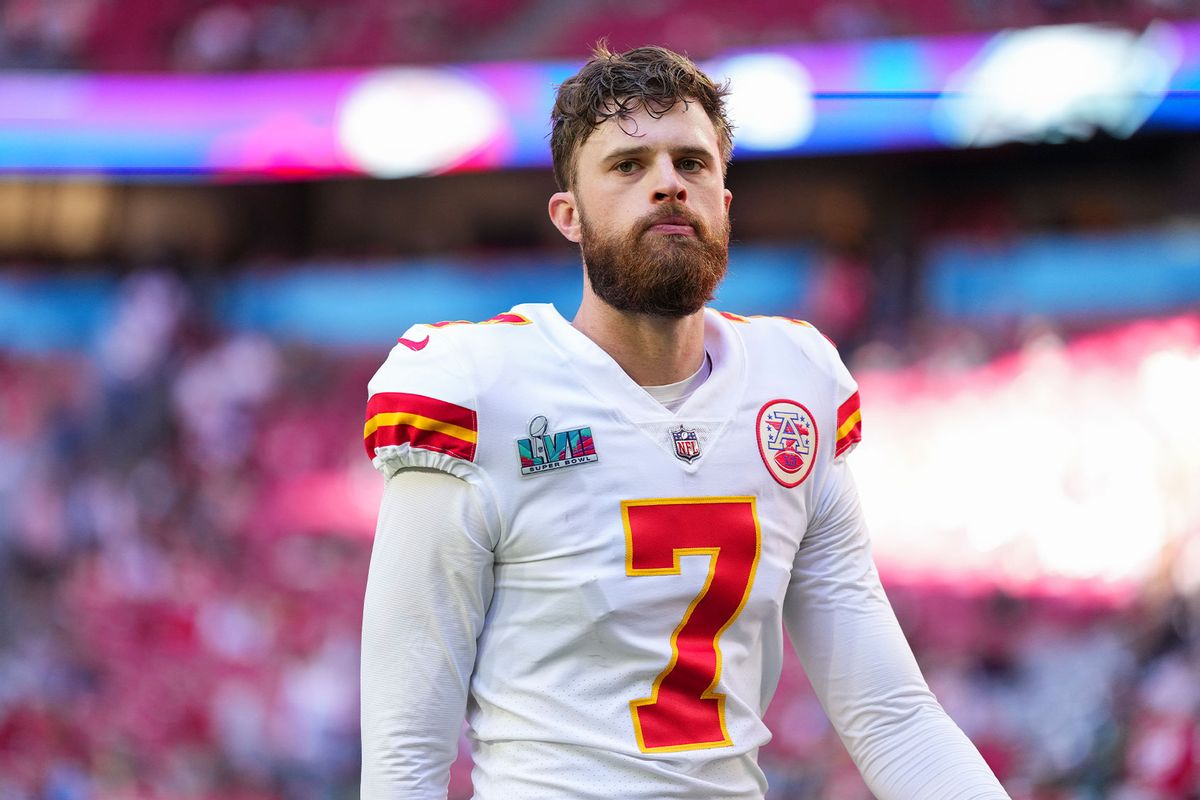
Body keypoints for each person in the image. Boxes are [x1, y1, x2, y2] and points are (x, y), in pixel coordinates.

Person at [360, 43, 1010, 800]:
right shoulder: (480, 389)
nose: (668, 184)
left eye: (692, 163)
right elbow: (408, 749)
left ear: (724, 203)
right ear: (569, 216)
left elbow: (892, 716)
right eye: (628, 166)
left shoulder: (792, 385)